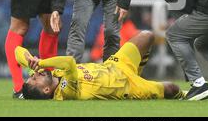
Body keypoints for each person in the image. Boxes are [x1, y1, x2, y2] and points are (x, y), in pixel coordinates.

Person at [16, 31, 185, 101]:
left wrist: (30, 59)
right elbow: (69, 62)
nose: (35, 74)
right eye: (34, 79)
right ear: (46, 90)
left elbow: (17, 50)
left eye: (31, 74)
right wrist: (42, 62)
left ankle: (137, 71)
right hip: (127, 86)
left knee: (147, 36)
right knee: (171, 89)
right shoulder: (66, 91)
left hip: (115, 65)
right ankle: (186, 95)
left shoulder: (55, 74)